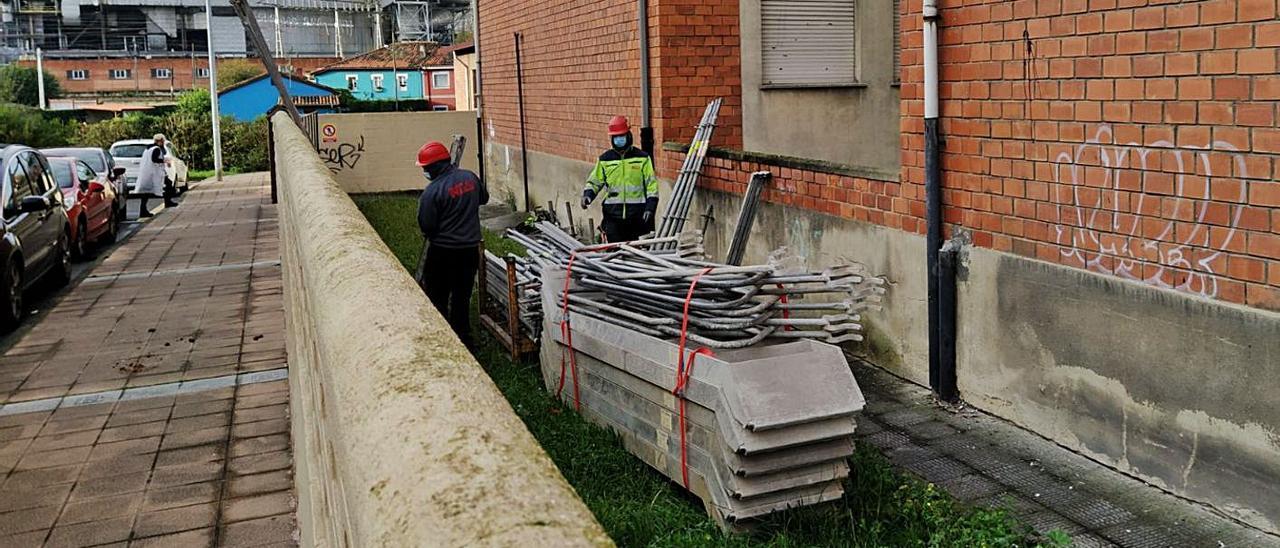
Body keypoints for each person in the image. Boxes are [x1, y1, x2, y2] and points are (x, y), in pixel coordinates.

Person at [416, 140, 488, 347]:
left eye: (425, 168)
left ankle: (442, 340)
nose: (425, 171)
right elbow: (483, 198)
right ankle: (464, 339)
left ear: (434, 167)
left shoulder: (432, 192)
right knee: (461, 297)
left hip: (442, 253)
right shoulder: (470, 178)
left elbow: (427, 226)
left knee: (437, 296)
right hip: (469, 251)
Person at [581, 115, 659, 242]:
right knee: (614, 253)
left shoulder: (642, 158)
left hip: (637, 217)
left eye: (621, 136)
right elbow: (595, 181)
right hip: (613, 217)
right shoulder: (605, 159)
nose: (619, 140)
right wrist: (587, 195)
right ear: (612, 138)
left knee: (637, 253)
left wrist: (650, 207)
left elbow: (651, 185)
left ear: (628, 135)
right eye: (616, 137)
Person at [136, 133, 178, 217]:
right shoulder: (156, 149)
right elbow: (154, 159)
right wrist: (164, 161)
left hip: (148, 172)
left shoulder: (148, 148)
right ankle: (166, 202)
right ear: (160, 141)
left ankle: (143, 210)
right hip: (154, 173)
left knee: (146, 192)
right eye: (162, 141)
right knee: (148, 192)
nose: (163, 142)